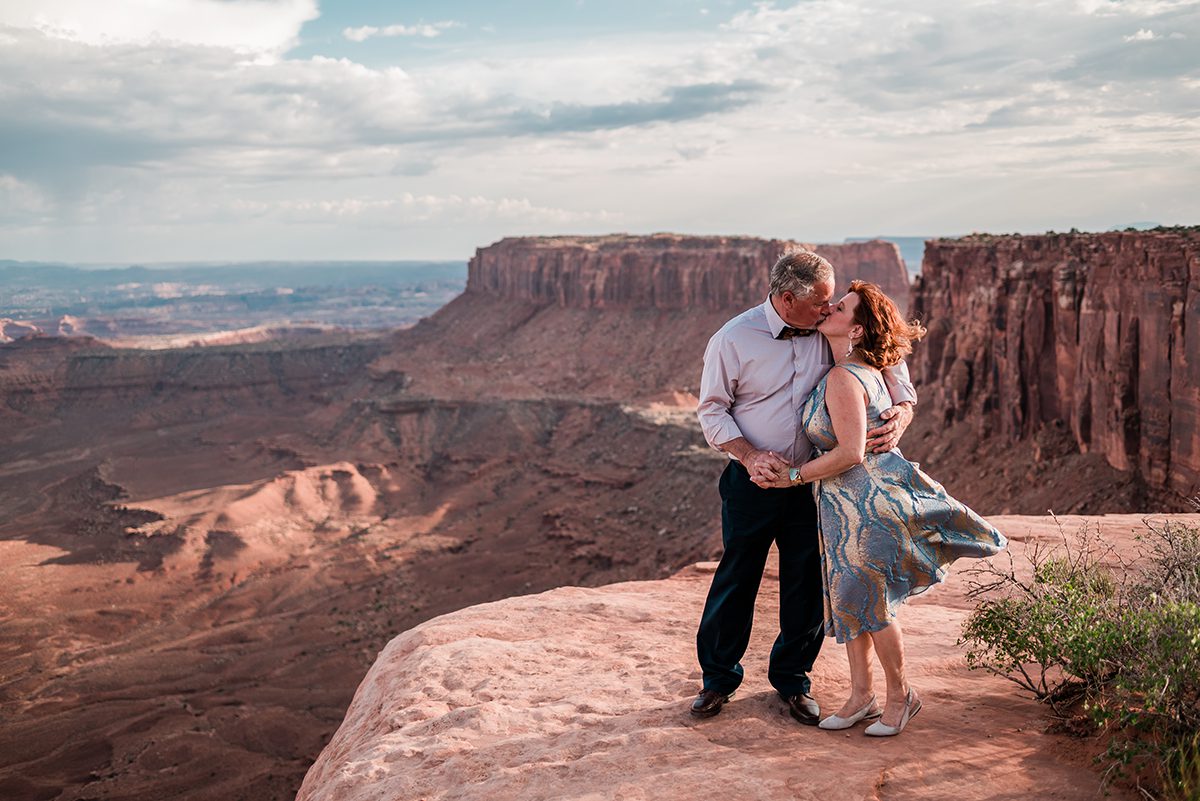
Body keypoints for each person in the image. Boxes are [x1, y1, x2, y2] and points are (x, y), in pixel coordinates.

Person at [752, 280, 1006, 736]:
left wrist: (790, 478)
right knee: (853, 602)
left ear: (858, 329)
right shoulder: (864, 367)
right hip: (845, 507)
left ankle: (900, 696)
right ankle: (859, 696)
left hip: (864, 506)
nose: (830, 308)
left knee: (873, 605)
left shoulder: (843, 377)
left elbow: (849, 453)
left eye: (842, 307)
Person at [691, 251, 917, 724]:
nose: (828, 308)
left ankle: (793, 681)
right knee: (737, 577)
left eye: (834, 302)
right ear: (787, 298)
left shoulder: (831, 329)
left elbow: (890, 367)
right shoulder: (733, 338)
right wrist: (750, 455)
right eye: (821, 301)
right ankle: (717, 681)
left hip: (816, 482)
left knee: (806, 584)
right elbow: (712, 410)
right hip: (752, 482)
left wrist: (903, 414)